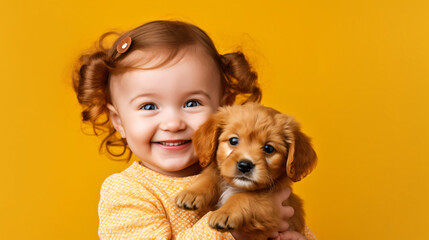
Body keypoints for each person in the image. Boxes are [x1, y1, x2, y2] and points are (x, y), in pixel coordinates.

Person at [72, 20, 315, 240]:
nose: (173, 123)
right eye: (148, 106)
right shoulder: (127, 192)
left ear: (224, 108)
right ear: (119, 121)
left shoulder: (259, 183)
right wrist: (232, 229)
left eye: (192, 103)